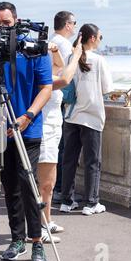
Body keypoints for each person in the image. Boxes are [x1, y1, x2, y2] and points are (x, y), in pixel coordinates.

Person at [0, 2, 52, 261]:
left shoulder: (34, 50)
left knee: (28, 185)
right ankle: (17, 239)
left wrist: (27, 116)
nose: (2, 28)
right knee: (10, 187)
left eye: (6, 23)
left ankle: (37, 242)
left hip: (28, 128)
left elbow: (46, 88)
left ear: (16, 21)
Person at [60, 24, 113, 216]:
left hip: (71, 115)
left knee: (69, 160)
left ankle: (67, 200)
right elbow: (106, 88)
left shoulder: (70, 57)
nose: (100, 40)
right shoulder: (99, 60)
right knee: (92, 161)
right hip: (91, 117)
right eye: (100, 36)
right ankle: (91, 202)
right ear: (92, 38)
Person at [37, 39, 83, 240]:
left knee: (49, 183)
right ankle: (38, 227)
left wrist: (54, 49)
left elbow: (59, 66)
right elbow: (65, 78)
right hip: (44, 132)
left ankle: (45, 221)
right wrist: (76, 56)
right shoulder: (41, 78)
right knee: (44, 184)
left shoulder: (48, 72)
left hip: (53, 131)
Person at [50, 11, 78, 204]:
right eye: (74, 23)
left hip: (51, 96)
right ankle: (59, 188)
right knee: (60, 148)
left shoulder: (52, 41)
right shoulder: (64, 44)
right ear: (67, 25)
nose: (75, 27)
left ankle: (55, 188)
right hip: (59, 98)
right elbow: (70, 73)